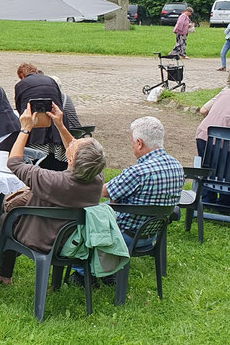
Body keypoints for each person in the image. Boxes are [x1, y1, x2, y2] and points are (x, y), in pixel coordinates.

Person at [0, 102, 107, 285]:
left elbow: (14, 163)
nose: (74, 142)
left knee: (6, 218)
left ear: (70, 159)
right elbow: (76, 150)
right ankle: (53, 282)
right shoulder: (97, 178)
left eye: (77, 144)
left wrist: (25, 129)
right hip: (73, 241)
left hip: (41, 239)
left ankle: (3, 275)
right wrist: (60, 125)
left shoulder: (53, 180)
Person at [70, 116, 183, 283]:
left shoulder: (139, 172)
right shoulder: (177, 166)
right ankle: (107, 270)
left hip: (124, 235)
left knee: (83, 217)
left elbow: (103, 191)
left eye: (132, 142)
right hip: (151, 233)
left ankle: (85, 272)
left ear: (139, 143)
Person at [14, 62, 63, 145]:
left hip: (35, 131)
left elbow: (20, 108)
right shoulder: (51, 80)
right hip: (57, 128)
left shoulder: (21, 84)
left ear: (22, 75)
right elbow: (59, 102)